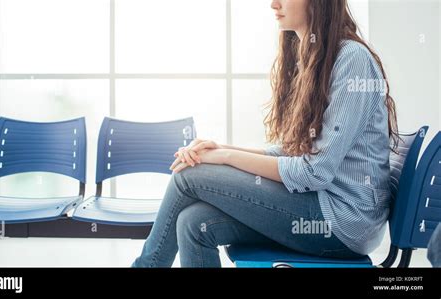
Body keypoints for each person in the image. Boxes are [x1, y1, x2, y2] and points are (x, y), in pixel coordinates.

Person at [132, 0, 399, 267]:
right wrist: (221, 149)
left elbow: (313, 172)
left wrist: (225, 157)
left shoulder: (352, 59)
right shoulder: (313, 56)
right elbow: (294, 152)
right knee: (194, 222)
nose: (273, 4)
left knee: (189, 175)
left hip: (342, 223)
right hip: (320, 208)